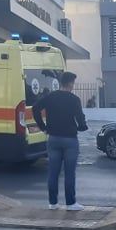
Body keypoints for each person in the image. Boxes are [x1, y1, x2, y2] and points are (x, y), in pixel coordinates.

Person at [32, 71, 88, 210]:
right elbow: (80, 118)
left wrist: (43, 127)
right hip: (70, 140)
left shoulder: (50, 97)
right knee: (69, 173)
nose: (73, 85)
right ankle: (70, 203)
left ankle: (53, 203)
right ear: (70, 83)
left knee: (53, 172)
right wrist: (82, 126)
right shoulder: (74, 99)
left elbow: (35, 108)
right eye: (73, 83)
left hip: (53, 138)